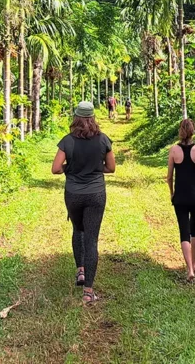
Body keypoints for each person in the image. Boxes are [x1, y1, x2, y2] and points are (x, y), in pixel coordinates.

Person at [52, 101, 116, 304]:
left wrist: (69, 169)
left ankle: (80, 270)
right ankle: (88, 291)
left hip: (73, 194)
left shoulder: (67, 141)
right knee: (92, 240)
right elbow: (111, 167)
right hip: (96, 194)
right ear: (93, 118)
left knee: (77, 230)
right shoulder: (103, 140)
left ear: (76, 118)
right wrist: (98, 170)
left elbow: (55, 168)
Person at [166, 118, 195, 282]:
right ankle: (194, 262)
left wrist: (172, 193)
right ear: (193, 132)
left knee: (184, 231)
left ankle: (190, 269)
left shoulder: (173, 150)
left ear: (180, 132)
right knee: (194, 228)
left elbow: (169, 176)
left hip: (181, 197)